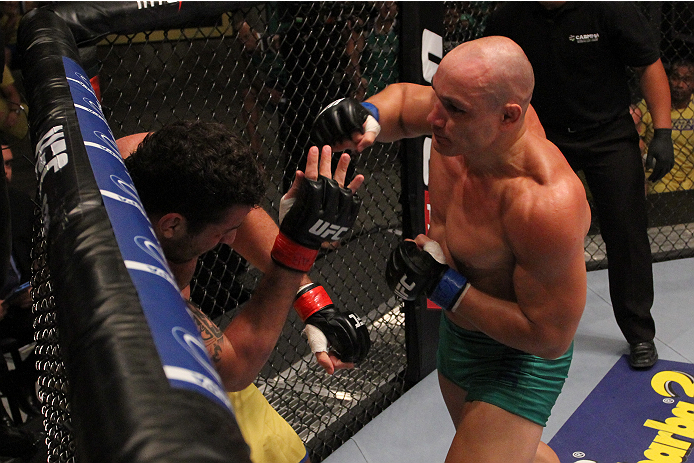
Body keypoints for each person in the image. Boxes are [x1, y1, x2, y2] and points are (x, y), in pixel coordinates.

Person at [313, 36, 591, 462]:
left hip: (520, 359)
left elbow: (550, 336)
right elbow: (406, 102)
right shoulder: (462, 123)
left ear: (508, 116)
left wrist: (443, 286)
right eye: (439, 98)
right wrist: (366, 115)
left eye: (454, 109)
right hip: (460, 338)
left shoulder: (545, 202)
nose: (435, 117)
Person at [117, 120, 369, 463]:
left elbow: (227, 202)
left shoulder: (134, 161)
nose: (232, 240)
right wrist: (297, 247)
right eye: (224, 232)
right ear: (172, 225)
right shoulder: (143, 280)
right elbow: (235, 367)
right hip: (157, 415)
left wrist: (310, 297)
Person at [483, 1, 674, 369]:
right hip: (543, 136)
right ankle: (522, 327)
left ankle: (639, 334)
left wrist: (662, 130)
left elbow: (648, 63)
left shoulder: (610, 8)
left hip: (609, 134)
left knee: (626, 232)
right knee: (524, 231)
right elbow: (490, 76)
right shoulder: (509, 17)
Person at [636, 60, 694, 193]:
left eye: (686, 80)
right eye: (675, 78)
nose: (679, 85)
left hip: (691, 178)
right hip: (660, 180)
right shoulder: (649, 105)